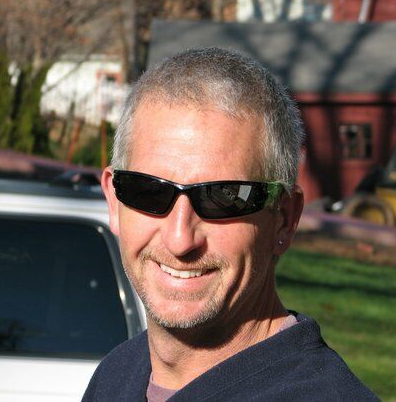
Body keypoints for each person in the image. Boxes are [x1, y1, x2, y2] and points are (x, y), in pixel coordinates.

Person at [83, 47, 378, 401]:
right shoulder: (115, 376)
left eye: (222, 198)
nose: (180, 239)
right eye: (149, 191)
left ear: (284, 219)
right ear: (114, 202)